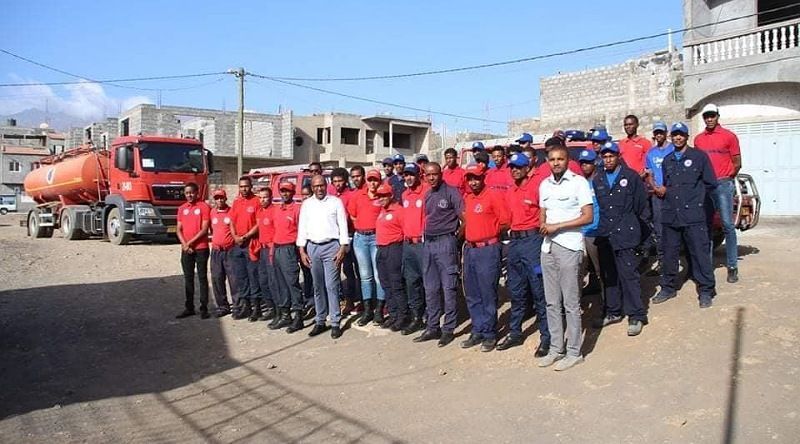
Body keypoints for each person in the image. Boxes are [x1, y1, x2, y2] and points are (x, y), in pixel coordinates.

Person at [537, 144, 594, 371]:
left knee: (570, 303)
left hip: (569, 246)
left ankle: (574, 352)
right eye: (552, 159)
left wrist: (558, 227)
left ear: (568, 160)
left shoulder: (579, 182)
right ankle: (556, 348)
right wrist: (544, 224)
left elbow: (587, 216)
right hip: (547, 248)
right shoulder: (544, 185)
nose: (556, 163)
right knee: (552, 302)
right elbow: (543, 212)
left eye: (560, 159)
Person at [651, 122, 718, 308]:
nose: (678, 138)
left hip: (693, 215)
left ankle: (706, 290)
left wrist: (697, 202)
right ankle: (668, 288)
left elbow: (711, 183)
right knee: (670, 253)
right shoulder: (668, 160)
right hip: (671, 215)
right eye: (675, 135)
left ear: (687, 136)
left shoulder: (699, 157)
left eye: (681, 134)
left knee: (700, 252)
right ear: (671, 137)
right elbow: (667, 185)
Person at [591, 142, 651, 336]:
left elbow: (642, 207)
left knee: (629, 275)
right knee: (609, 276)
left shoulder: (631, 177)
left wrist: (640, 234)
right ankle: (613, 311)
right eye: (605, 156)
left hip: (626, 232)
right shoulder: (598, 179)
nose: (608, 160)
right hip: (605, 234)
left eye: (611, 156)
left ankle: (636, 315)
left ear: (618, 157)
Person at [498, 153, 550, 356]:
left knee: (539, 291)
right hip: (515, 243)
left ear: (527, 168)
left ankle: (547, 337)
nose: (514, 170)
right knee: (516, 291)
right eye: (512, 167)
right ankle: (515, 332)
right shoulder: (510, 190)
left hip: (533, 241)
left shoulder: (536, 187)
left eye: (518, 167)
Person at [461, 163, 510, 352]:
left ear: (483, 178)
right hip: (470, 250)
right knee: (472, 293)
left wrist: (490, 232)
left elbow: (506, 221)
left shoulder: (493, 196)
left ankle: (490, 333)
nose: (473, 182)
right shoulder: (468, 198)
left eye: (476, 178)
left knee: (487, 292)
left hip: (488, 249)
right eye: (470, 178)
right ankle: (478, 329)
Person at [413, 162, 464, 348]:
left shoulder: (451, 192)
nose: (432, 177)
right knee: (430, 287)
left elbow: (464, 218)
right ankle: (432, 326)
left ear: (440, 174)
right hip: (429, 243)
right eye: (428, 175)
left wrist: (455, 239)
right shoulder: (427, 195)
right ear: (424, 176)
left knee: (448, 288)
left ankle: (448, 328)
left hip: (446, 242)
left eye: (435, 174)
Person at [297, 175, 350, 339]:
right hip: (313, 247)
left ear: (326, 186)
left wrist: (342, 247)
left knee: (331, 285)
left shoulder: (335, 202)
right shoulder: (307, 204)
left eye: (321, 185)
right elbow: (302, 227)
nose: (319, 188)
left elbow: (343, 224)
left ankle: (335, 322)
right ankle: (320, 321)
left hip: (331, 247)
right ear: (312, 188)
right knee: (317, 286)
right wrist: (302, 250)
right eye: (316, 186)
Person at [694, 103, 742, 283]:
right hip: (705, 187)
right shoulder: (699, 140)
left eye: (712, 115)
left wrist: (727, 178)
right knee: (706, 226)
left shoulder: (729, 136)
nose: (709, 119)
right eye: (706, 116)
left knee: (727, 225)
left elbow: (737, 162)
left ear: (717, 116)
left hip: (722, 184)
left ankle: (732, 266)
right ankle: (706, 267)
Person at [348, 169, 386, 326]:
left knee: (378, 275)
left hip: (376, 237)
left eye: (375, 180)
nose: (372, 183)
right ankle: (368, 310)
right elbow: (352, 214)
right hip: (361, 239)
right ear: (366, 181)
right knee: (365, 276)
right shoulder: (358, 195)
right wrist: (360, 226)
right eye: (370, 180)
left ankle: (379, 310)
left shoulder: (382, 196)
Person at [175, 182, 212, 319]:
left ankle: (204, 308)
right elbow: (179, 229)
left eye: (191, 192)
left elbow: (204, 229)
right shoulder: (182, 208)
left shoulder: (204, 207)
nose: (189, 195)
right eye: (187, 193)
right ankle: (189, 307)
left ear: (197, 193)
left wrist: (189, 243)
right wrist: (185, 245)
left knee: (202, 278)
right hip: (186, 250)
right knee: (188, 279)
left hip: (201, 248)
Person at [272, 182, 305, 333]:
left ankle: (299, 315)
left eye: (287, 191)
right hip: (277, 248)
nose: (284, 194)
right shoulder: (277, 209)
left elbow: (302, 231)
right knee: (281, 284)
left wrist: (301, 251)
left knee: (292, 282)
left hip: (289, 249)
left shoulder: (297, 209)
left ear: (292, 193)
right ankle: (286, 315)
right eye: (282, 191)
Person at [643, 121, 675, 276]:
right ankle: (662, 263)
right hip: (656, 195)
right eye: (656, 133)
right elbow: (649, 174)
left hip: (672, 194)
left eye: (661, 132)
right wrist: (654, 187)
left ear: (666, 133)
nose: (659, 135)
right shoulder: (650, 153)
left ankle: (674, 262)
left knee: (675, 228)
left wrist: (668, 188)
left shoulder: (673, 149)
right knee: (659, 230)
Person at [375, 183, 407, 332]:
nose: (381, 199)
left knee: (396, 284)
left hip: (394, 249)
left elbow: (405, 231)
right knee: (385, 283)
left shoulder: (399, 210)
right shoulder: (382, 210)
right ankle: (393, 314)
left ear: (391, 195)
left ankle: (402, 316)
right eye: (379, 196)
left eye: (384, 196)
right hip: (381, 249)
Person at [400, 162, 427, 335]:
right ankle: (417, 317)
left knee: (427, 282)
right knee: (411, 282)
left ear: (419, 175)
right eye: (405, 175)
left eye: (411, 174)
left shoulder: (426, 192)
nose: (408, 178)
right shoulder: (404, 195)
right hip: (408, 244)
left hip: (422, 244)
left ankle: (430, 316)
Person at [229, 176, 261, 320]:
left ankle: (257, 307)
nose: (244, 189)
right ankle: (246, 305)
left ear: (251, 186)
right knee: (241, 276)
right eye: (241, 187)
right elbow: (231, 222)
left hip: (251, 243)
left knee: (253, 275)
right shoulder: (236, 202)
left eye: (246, 186)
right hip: (238, 245)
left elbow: (258, 223)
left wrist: (246, 236)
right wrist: (235, 236)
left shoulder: (256, 201)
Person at [331, 167, 361, 315]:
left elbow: (350, 216)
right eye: (335, 181)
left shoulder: (351, 195)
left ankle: (353, 300)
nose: (338, 184)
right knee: (335, 270)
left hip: (350, 236)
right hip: (333, 238)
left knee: (351, 270)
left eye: (340, 180)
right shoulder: (330, 196)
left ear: (345, 180)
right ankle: (338, 299)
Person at [209, 189, 237, 318]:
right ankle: (223, 306)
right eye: (217, 198)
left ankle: (237, 305)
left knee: (234, 279)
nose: (219, 200)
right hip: (216, 251)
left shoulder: (231, 212)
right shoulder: (212, 212)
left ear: (225, 199)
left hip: (230, 251)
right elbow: (211, 229)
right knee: (217, 279)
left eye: (221, 198)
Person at [578, 150, 603, 296]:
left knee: (601, 269)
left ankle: (608, 302)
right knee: (586, 268)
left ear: (595, 163)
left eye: (588, 163)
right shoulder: (580, 184)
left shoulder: (600, 181)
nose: (584, 166)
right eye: (582, 163)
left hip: (597, 231)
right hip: (583, 232)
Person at [254, 187, 280, 324]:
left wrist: (273, 249)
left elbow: (277, 231)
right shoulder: (259, 211)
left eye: (265, 197)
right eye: (260, 197)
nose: (262, 200)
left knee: (273, 281)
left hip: (271, 249)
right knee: (263, 280)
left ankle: (278, 310)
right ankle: (270, 307)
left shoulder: (274, 211)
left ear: (270, 198)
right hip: (262, 249)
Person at [299, 185, 315, 313]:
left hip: (313, 244)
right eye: (303, 195)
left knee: (314, 272)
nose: (305, 198)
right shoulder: (300, 209)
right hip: (301, 245)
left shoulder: (314, 208)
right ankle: (308, 294)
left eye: (307, 195)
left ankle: (316, 297)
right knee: (306, 272)